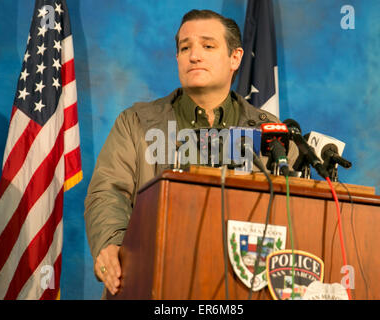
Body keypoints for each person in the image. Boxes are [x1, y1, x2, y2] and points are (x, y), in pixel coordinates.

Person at [84, 9, 295, 297]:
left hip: (244, 286)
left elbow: (295, 206)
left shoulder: (271, 135)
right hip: (150, 279)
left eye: (208, 46)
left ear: (235, 58)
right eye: (185, 48)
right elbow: (108, 192)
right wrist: (111, 244)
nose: (194, 55)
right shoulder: (136, 122)